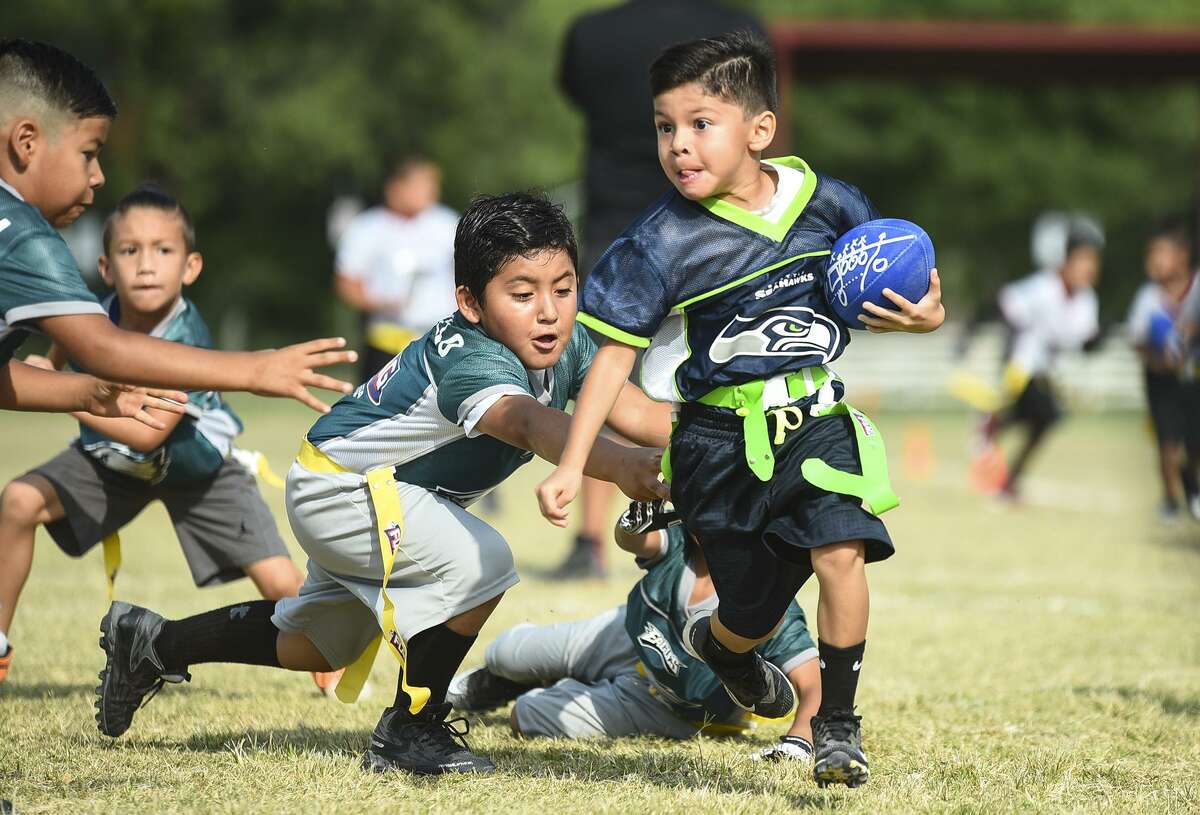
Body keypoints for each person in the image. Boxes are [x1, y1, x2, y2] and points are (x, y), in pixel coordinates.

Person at [92, 192, 671, 776]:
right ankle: (410, 730)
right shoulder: (472, 358)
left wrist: (723, 437)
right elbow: (527, 423)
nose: (548, 311)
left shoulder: (565, 344)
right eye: (522, 294)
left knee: (316, 646)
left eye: (563, 289)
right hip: (341, 489)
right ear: (470, 303)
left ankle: (152, 642)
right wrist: (620, 466)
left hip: (367, 491)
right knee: (480, 562)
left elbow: (640, 413)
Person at [536, 32, 945, 788]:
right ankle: (725, 647)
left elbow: (911, 284)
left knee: (841, 548)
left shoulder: (831, 201)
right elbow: (610, 362)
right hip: (717, 446)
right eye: (665, 126)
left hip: (817, 420)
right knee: (748, 613)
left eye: (701, 123)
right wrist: (570, 462)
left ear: (759, 129)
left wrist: (926, 314)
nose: (679, 145)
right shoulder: (657, 244)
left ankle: (839, 729)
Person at [0, 185, 345, 688]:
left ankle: (327, 653)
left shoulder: (184, 335)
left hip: (200, 472)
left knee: (279, 583)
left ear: (190, 268)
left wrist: (62, 392)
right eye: (129, 250)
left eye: (163, 251)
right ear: (105, 266)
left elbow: (148, 431)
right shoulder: (89, 316)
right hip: (110, 464)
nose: (145, 265)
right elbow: (61, 355)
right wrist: (51, 370)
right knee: (17, 501)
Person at [0, 39, 357, 416]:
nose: (99, 176)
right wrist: (255, 369)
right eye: (88, 153)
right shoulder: (21, 234)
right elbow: (104, 348)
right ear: (27, 142)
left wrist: (86, 394)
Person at [551, 0, 766, 580]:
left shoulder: (591, 32)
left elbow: (575, 91)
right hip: (716, 224)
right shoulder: (736, 25)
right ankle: (720, 524)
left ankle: (595, 537)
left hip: (614, 220)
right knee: (724, 366)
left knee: (609, 366)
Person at [448, 499, 821, 761]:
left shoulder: (769, 605)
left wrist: (799, 742)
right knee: (505, 653)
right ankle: (515, 675)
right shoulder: (677, 543)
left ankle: (542, 681)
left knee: (527, 717)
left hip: (667, 708)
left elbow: (812, 689)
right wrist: (639, 511)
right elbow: (631, 537)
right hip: (624, 636)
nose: (711, 517)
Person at [979, 229, 1104, 499]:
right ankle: (998, 443)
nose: (1089, 269)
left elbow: (1083, 341)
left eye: (1093, 263)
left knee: (1039, 420)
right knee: (1045, 416)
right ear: (1067, 262)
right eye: (1084, 261)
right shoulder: (1043, 287)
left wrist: (1097, 340)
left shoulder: (1087, 299)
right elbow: (1006, 303)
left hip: (1048, 371)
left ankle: (993, 428)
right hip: (1022, 365)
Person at [334, 156, 458, 381]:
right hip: (386, 339)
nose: (430, 192)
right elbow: (347, 282)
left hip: (440, 338)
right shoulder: (367, 228)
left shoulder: (448, 224)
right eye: (421, 186)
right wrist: (379, 302)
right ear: (395, 187)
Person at [1126, 219, 1199, 520]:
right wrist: (1160, 360)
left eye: (1161, 253)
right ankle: (1170, 498)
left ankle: (1191, 486)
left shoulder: (1196, 288)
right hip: (1161, 380)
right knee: (1167, 441)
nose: (1153, 261)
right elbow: (1137, 339)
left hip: (1193, 377)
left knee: (1195, 440)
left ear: (1182, 255)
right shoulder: (1147, 298)